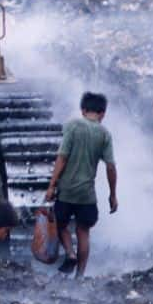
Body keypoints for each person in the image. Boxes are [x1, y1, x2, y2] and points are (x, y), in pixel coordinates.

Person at [45, 92, 118, 278]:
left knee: (61, 226)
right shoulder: (104, 134)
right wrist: (112, 194)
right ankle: (80, 276)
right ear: (103, 113)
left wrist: (52, 185)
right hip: (87, 194)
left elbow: (62, 157)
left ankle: (69, 252)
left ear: (83, 110)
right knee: (83, 231)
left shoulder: (72, 126)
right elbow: (111, 166)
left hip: (66, 191)